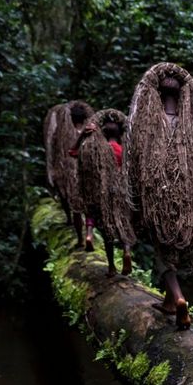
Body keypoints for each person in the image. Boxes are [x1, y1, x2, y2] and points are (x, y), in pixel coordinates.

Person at [123, 63, 193, 329]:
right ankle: (171, 301)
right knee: (176, 246)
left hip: (159, 197)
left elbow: (137, 162)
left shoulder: (150, 126)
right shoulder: (189, 129)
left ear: (158, 95)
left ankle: (179, 298)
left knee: (162, 246)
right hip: (185, 198)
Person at [72, 109, 135, 276]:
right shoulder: (124, 150)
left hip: (104, 192)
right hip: (121, 190)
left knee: (108, 228)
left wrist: (83, 136)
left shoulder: (98, 149)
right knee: (124, 223)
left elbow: (73, 153)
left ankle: (112, 267)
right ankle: (127, 251)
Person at [43, 101, 93, 246]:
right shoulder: (92, 132)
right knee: (89, 209)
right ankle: (89, 234)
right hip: (88, 176)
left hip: (71, 176)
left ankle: (79, 239)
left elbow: (70, 152)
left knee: (74, 207)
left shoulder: (67, 135)